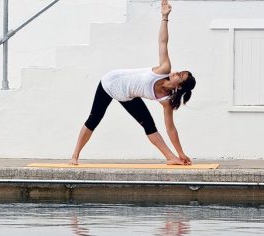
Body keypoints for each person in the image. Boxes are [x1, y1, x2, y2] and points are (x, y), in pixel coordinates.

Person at [69, 0, 196, 166]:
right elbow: (163, 42)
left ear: (179, 86)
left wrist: (181, 153)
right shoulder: (164, 69)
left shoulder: (167, 102)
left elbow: (171, 129)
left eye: (179, 75)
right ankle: (75, 156)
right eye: (179, 71)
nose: (175, 72)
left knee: (149, 125)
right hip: (111, 83)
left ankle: (171, 158)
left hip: (127, 96)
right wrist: (164, 17)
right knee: (95, 118)